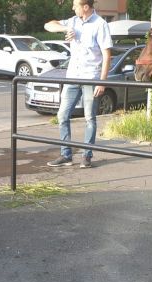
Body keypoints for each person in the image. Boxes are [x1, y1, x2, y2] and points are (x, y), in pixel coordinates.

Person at [44, 0, 112, 169]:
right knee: (62, 115)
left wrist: (102, 82)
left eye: (75, 5)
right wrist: (65, 28)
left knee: (89, 118)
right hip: (72, 77)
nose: (72, 8)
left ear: (85, 7)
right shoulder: (73, 21)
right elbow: (48, 25)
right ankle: (66, 155)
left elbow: (107, 55)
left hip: (91, 78)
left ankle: (86, 156)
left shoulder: (100, 24)